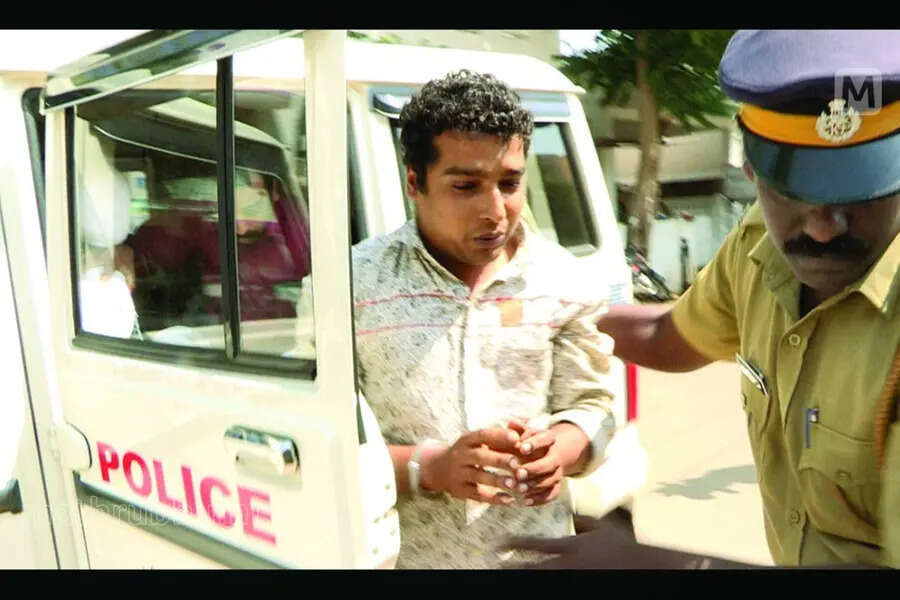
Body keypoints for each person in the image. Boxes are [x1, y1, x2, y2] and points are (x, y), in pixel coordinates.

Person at [504, 30, 900, 569]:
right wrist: (551, 316)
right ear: (750, 165)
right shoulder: (757, 248)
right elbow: (669, 334)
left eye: (858, 195)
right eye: (797, 193)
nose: (824, 229)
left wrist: (659, 567)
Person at [351, 69, 618, 568]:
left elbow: (592, 406)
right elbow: (319, 442)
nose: (495, 210)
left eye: (510, 183)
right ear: (415, 182)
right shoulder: (353, 285)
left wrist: (561, 450)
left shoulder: (564, 280)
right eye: (466, 186)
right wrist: (428, 468)